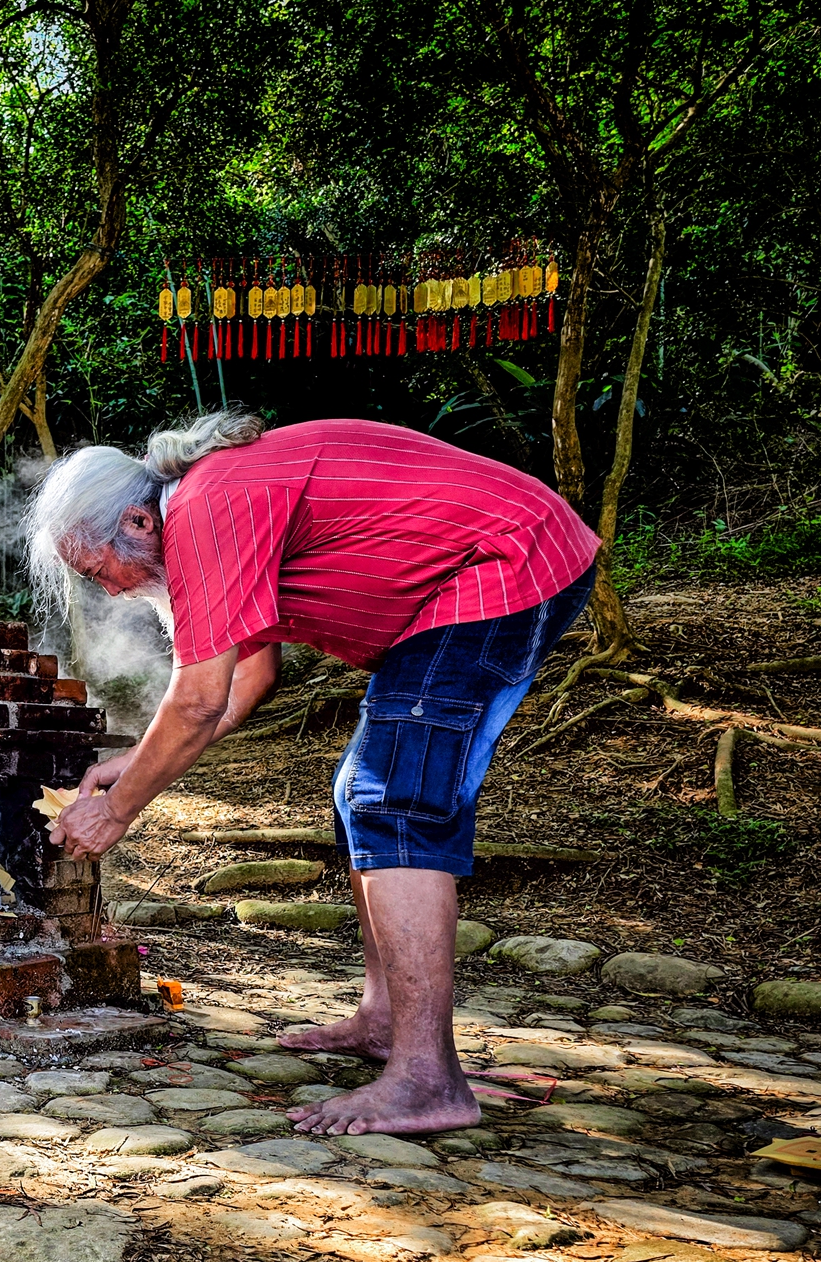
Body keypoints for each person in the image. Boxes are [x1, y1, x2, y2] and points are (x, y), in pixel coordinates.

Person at [29, 410, 598, 1136]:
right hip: (476, 575)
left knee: (392, 801)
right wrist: (138, 762)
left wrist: (118, 809)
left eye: (96, 569)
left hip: (502, 564)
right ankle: (385, 1019)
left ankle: (429, 1079)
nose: (108, 591)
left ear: (138, 520)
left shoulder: (205, 509)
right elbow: (248, 678)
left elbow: (200, 700)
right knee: (358, 793)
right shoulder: (208, 508)